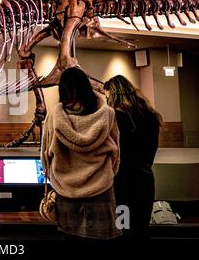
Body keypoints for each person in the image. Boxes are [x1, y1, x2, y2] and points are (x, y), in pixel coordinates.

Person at [41, 67, 121, 240]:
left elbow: (45, 155)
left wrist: (54, 176)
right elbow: (116, 153)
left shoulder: (53, 117)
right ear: (87, 86)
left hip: (65, 189)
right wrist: (107, 174)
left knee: (70, 240)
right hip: (101, 189)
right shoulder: (108, 114)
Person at [104, 75, 162, 240]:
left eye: (108, 97)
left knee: (123, 229)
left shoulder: (117, 117)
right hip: (146, 180)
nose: (108, 101)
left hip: (123, 182)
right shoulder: (151, 115)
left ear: (114, 95)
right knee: (141, 229)